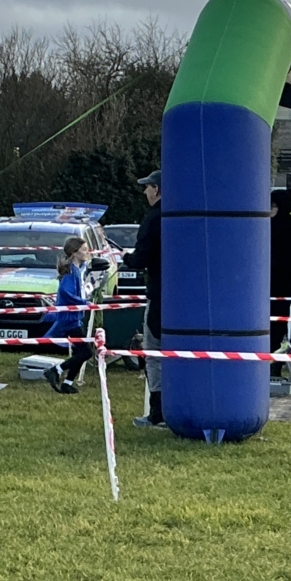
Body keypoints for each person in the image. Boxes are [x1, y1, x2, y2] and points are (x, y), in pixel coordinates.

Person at [125, 170, 165, 427]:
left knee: (153, 353)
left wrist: (127, 258)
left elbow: (141, 259)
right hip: (184, 298)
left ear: (157, 190)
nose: (144, 191)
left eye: (148, 186)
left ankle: (157, 411)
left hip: (158, 296)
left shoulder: (153, 219)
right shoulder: (181, 216)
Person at [43, 237, 95, 395]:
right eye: (84, 249)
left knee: (81, 352)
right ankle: (55, 370)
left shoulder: (79, 269)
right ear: (74, 252)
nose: (87, 252)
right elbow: (66, 292)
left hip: (75, 317)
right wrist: (83, 302)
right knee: (86, 352)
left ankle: (67, 383)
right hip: (69, 318)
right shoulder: (71, 271)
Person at [269, 187, 291, 377]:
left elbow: (289, 264)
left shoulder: (289, 234)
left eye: (272, 205)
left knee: (276, 326)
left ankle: (273, 364)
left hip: (278, 288)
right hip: (278, 288)